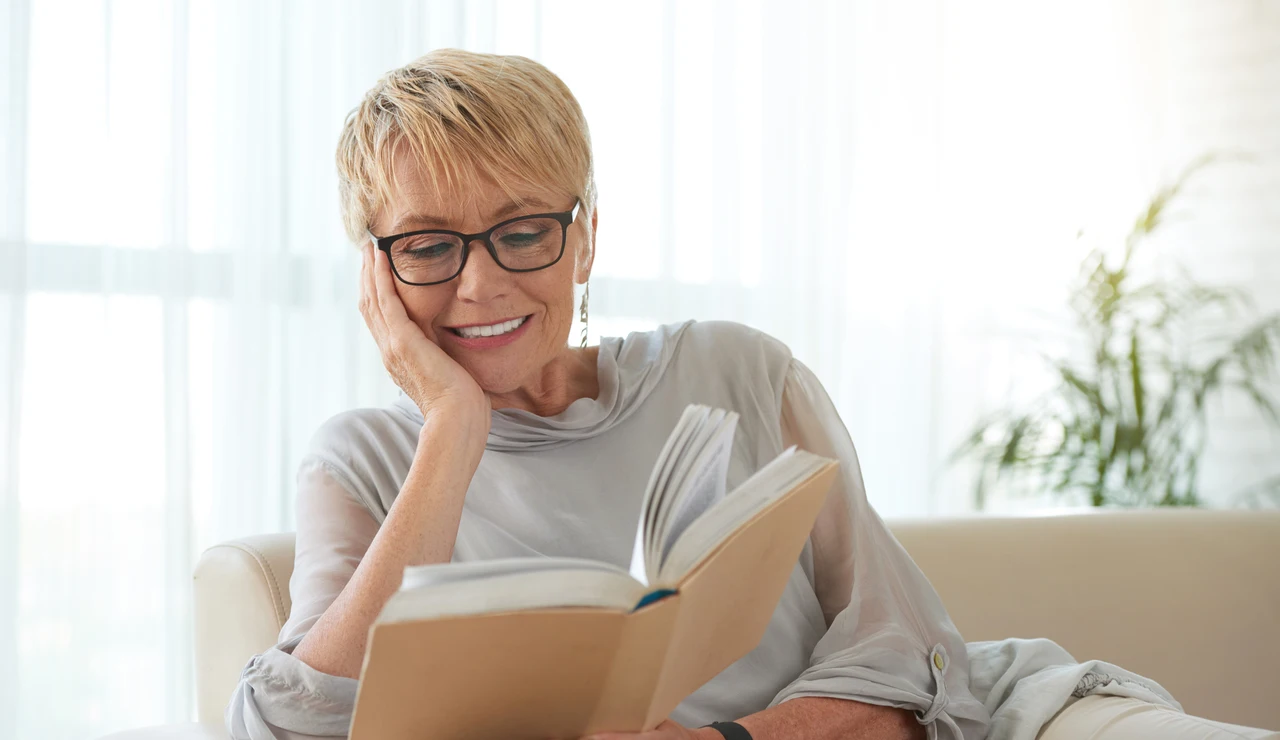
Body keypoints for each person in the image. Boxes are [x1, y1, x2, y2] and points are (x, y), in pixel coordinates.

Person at [226, 49, 1277, 740]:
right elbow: (284, 722)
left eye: (521, 231)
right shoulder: (364, 456)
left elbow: (903, 647)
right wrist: (452, 428)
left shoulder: (736, 367)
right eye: (426, 246)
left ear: (584, 233)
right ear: (373, 266)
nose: (480, 281)